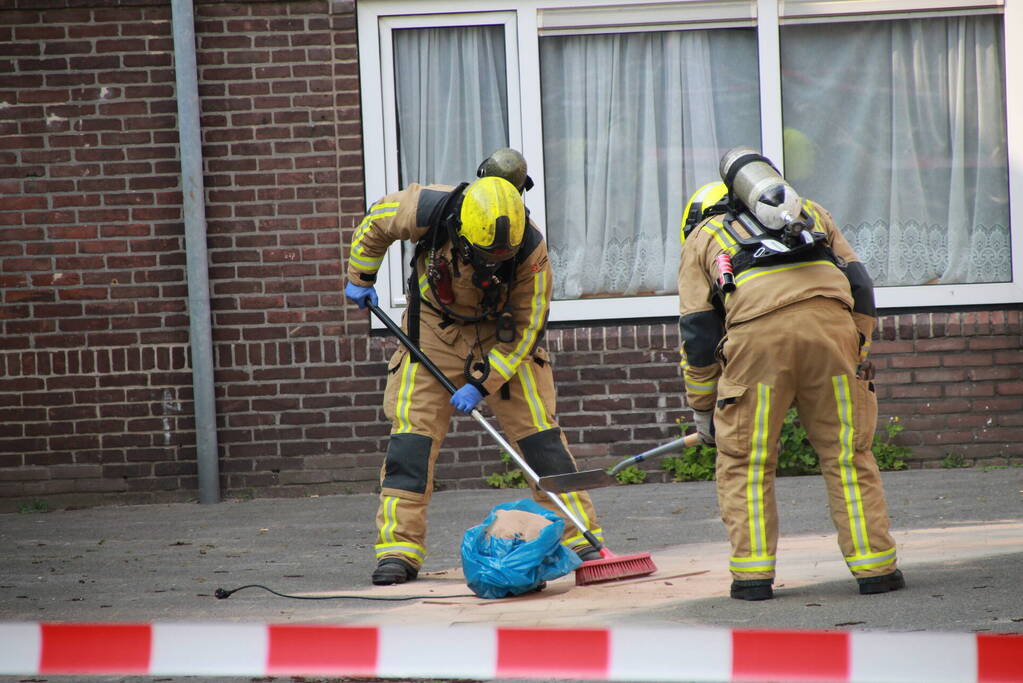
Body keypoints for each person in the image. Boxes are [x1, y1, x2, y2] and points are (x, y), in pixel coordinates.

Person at [344, 148, 605, 585]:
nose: (489, 266)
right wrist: (361, 277)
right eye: (482, 255)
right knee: (411, 443)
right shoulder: (427, 206)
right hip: (432, 331)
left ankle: (583, 537)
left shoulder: (531, 251)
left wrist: (483, 384)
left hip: (502, 342)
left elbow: (528, 326)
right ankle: (398, 550)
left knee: (542, 441)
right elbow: (375, 224)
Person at [677, 147, 904, 601]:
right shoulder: (812, 214)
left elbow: (699, 332)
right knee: (847, 454)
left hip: (758, 345)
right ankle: (876, 570)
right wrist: (855, 346)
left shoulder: (703, 237)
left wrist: (704, 409)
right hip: (832, 334)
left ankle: (753, 579)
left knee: (747, 462)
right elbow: (859, 285)